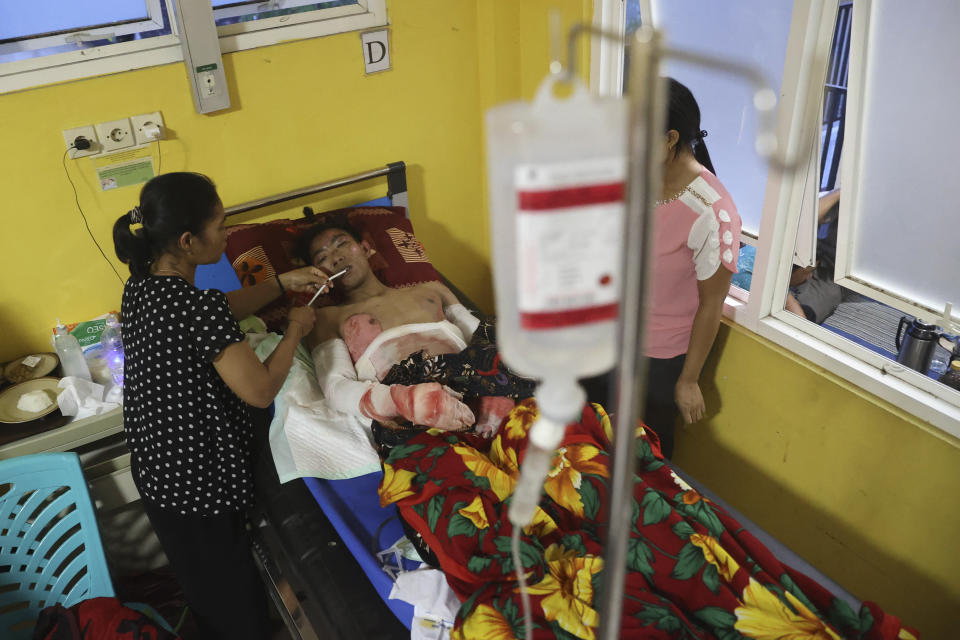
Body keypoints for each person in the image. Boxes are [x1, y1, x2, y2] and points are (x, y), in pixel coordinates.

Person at [112, 172, 322, 640]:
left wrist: (280, 282)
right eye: (222, 224)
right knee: (236, 607)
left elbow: (217, 309)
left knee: (204, 590)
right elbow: (261, 390)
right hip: (197, 482)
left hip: (156, 471)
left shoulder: (142, 288)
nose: (228, 234)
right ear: (188, 241)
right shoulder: (197, 306)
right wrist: (295, 330)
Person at [296, 220, 528, 441]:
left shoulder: (432, 290)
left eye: (342, 244)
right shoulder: (328, 318)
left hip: (478, 385)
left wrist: (498, 388)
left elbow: (481, 335)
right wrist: (403, 402)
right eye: (323, 257)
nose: (336, 258)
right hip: (412, 414)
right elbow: (336, 387)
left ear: (366, 248)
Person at [643, 78, 743, 459]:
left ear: (669, 139)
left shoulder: (712, 212)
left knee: (649, 456)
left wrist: (688, 379)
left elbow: (711, 304)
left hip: (661, 357)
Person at [785, 188, 842, 323]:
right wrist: (843, 191)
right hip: (804, 256)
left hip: (827, 272)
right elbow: (806, 218)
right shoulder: (836, 200)